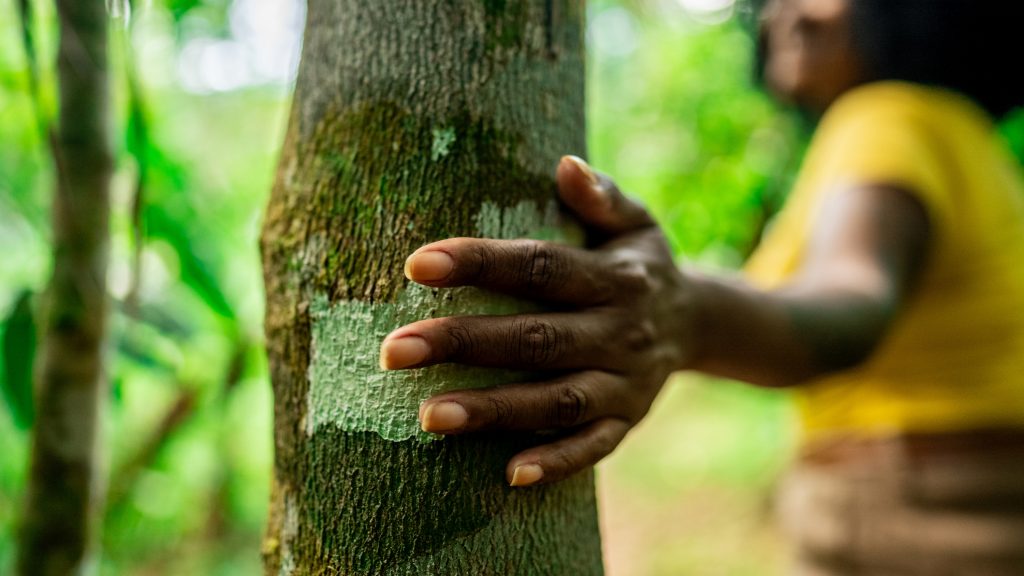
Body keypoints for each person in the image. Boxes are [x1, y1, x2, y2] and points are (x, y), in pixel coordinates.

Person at [380, 0, 1024, 572]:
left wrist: (682, 316)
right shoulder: (962, 137)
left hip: (921, 517)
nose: (785, 14)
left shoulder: (890, 120)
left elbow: (851, 300)